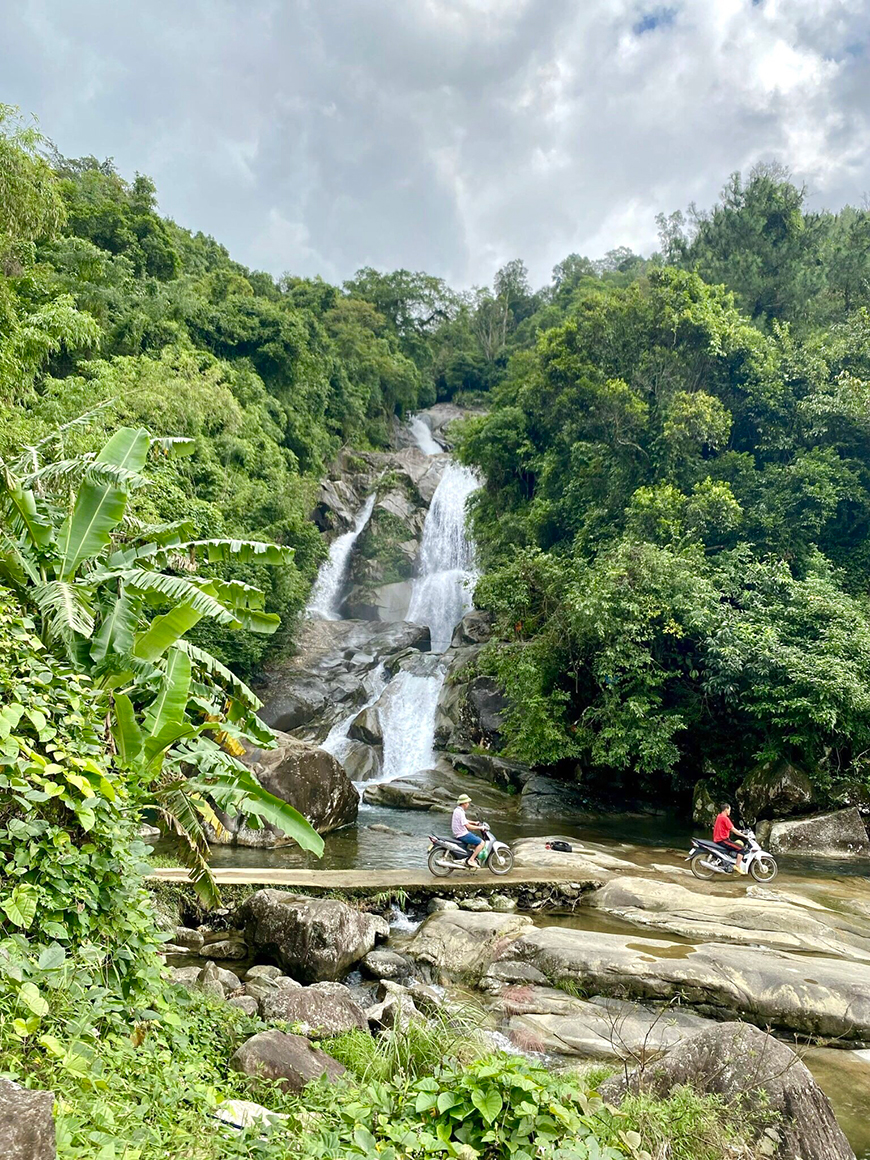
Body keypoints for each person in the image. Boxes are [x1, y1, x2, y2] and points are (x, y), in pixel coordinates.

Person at [451, 793, 486, 869]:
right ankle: (471, 859)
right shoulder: (460, 812)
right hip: (462, 834)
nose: (468, 804)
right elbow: (468, 826)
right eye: (467, 803)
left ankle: (468, 856)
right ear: (464, 803)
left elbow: (464, 821)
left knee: (474, 842)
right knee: (481, 843)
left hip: (458, 833)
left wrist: (474, 822)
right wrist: (480, 828)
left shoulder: (457, 810)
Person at [713, 803, 748, 874]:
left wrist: (740, 831)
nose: (730, 811)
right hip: (722, 840)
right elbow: (733, 830)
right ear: (726, 809)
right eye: (729, 810)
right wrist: (744, 836)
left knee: (737, 844)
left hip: (718, 839)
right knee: (741, 849)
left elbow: (727, 828)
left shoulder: (719, 816)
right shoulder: (725, 818)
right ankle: (737, 866)